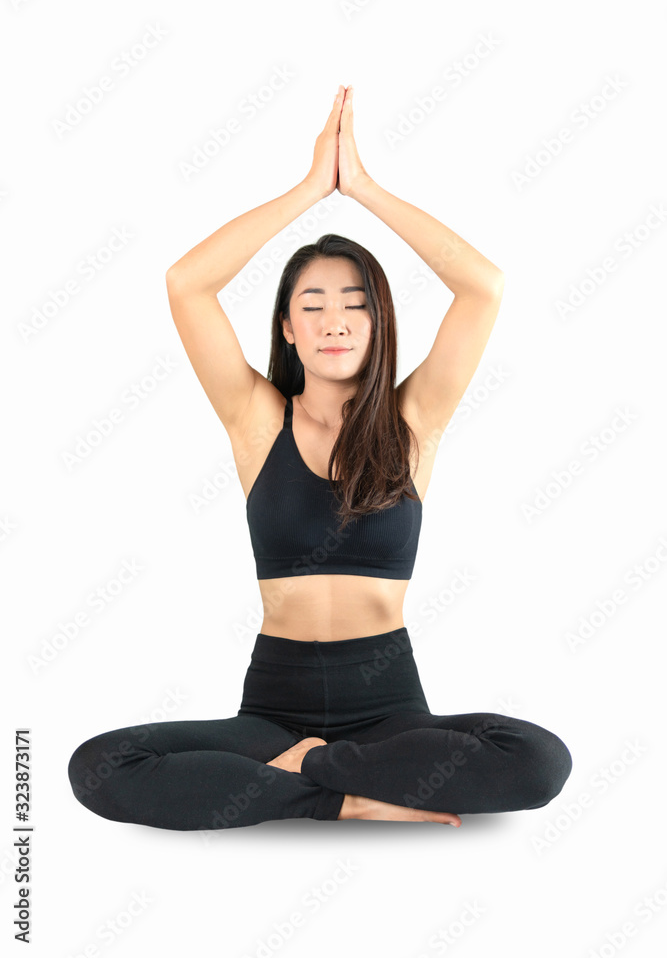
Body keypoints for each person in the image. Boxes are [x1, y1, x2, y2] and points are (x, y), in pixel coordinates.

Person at [67, 84, 572, 830]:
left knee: (538, 760)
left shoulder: (413, 420)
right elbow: (187, 284)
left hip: (389, 705)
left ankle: (310, 777)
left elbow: (481, 286)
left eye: (356, 302)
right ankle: (344, 796)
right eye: (313, 304)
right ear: (289, 328)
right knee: (99, 766)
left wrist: (361, 188)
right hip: (274, 707)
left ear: (378, 322)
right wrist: (311, 189)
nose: (335, 320)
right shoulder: (255, 420)